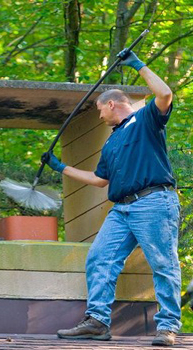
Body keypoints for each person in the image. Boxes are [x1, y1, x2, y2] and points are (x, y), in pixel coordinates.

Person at [42, 50, 181, 347]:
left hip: (154, 202)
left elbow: (166, 93)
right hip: (122, 209)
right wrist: (60, 167)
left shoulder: (145, 120)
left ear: (112, 104)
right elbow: (99, 180)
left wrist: (138, 65)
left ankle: (168, 326)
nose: (100, 115)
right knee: (100, 258)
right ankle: (97, 322)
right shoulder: (112, 141)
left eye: (99, 110)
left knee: (162, 262)